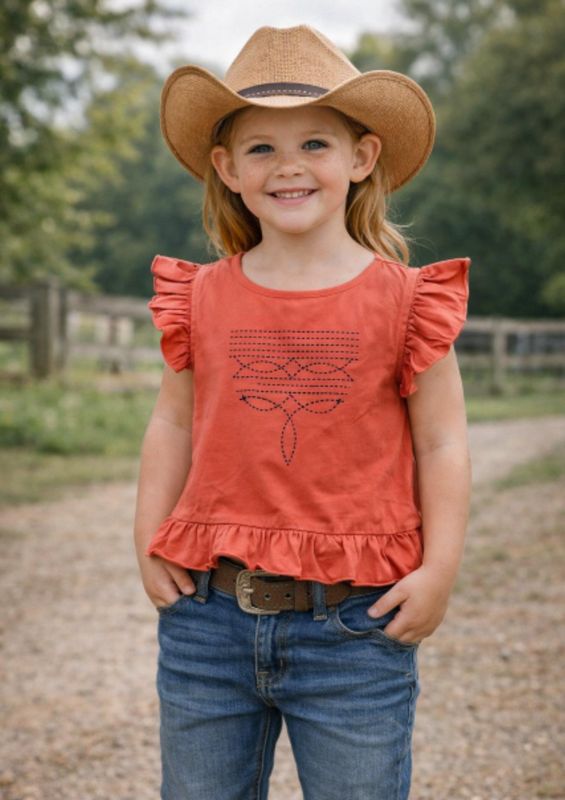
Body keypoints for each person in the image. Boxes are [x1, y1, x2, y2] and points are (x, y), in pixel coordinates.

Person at [133, 23, 472, 800]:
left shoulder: (406, 302)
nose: (288, 166)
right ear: (227, 169)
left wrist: (440, 569)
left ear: (361, 158)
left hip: (354, 629)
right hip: (208, 620)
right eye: (261, 148)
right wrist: (146, 532)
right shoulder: (203, 296)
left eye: (315, 143)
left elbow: (443, 441)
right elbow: (173, 423)